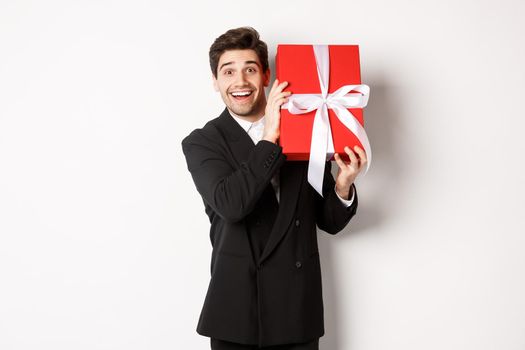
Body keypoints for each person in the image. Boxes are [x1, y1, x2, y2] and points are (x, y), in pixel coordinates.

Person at [181, 27, 367, 350]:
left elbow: (328, 221)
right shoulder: (202, 142)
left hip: (297, 312)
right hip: (236, 316)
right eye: (228, 72)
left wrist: (343, 183)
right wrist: (270, 136)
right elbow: (232, 204)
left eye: (250, 69)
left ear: (266, 76)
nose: (240, 81)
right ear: (215, 81)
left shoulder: (307, 129)